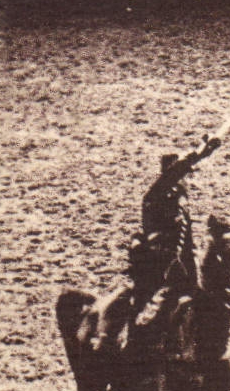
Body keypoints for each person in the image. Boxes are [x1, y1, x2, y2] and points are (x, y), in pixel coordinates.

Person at [94, 135, 221, 352]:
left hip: (181, 270)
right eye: (181, 176)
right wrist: (198, 155)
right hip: (155, 268)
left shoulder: (181, 205)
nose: (184, 182)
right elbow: (172, 177)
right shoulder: (153, 198)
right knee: (144, 312)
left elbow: (186, 244)